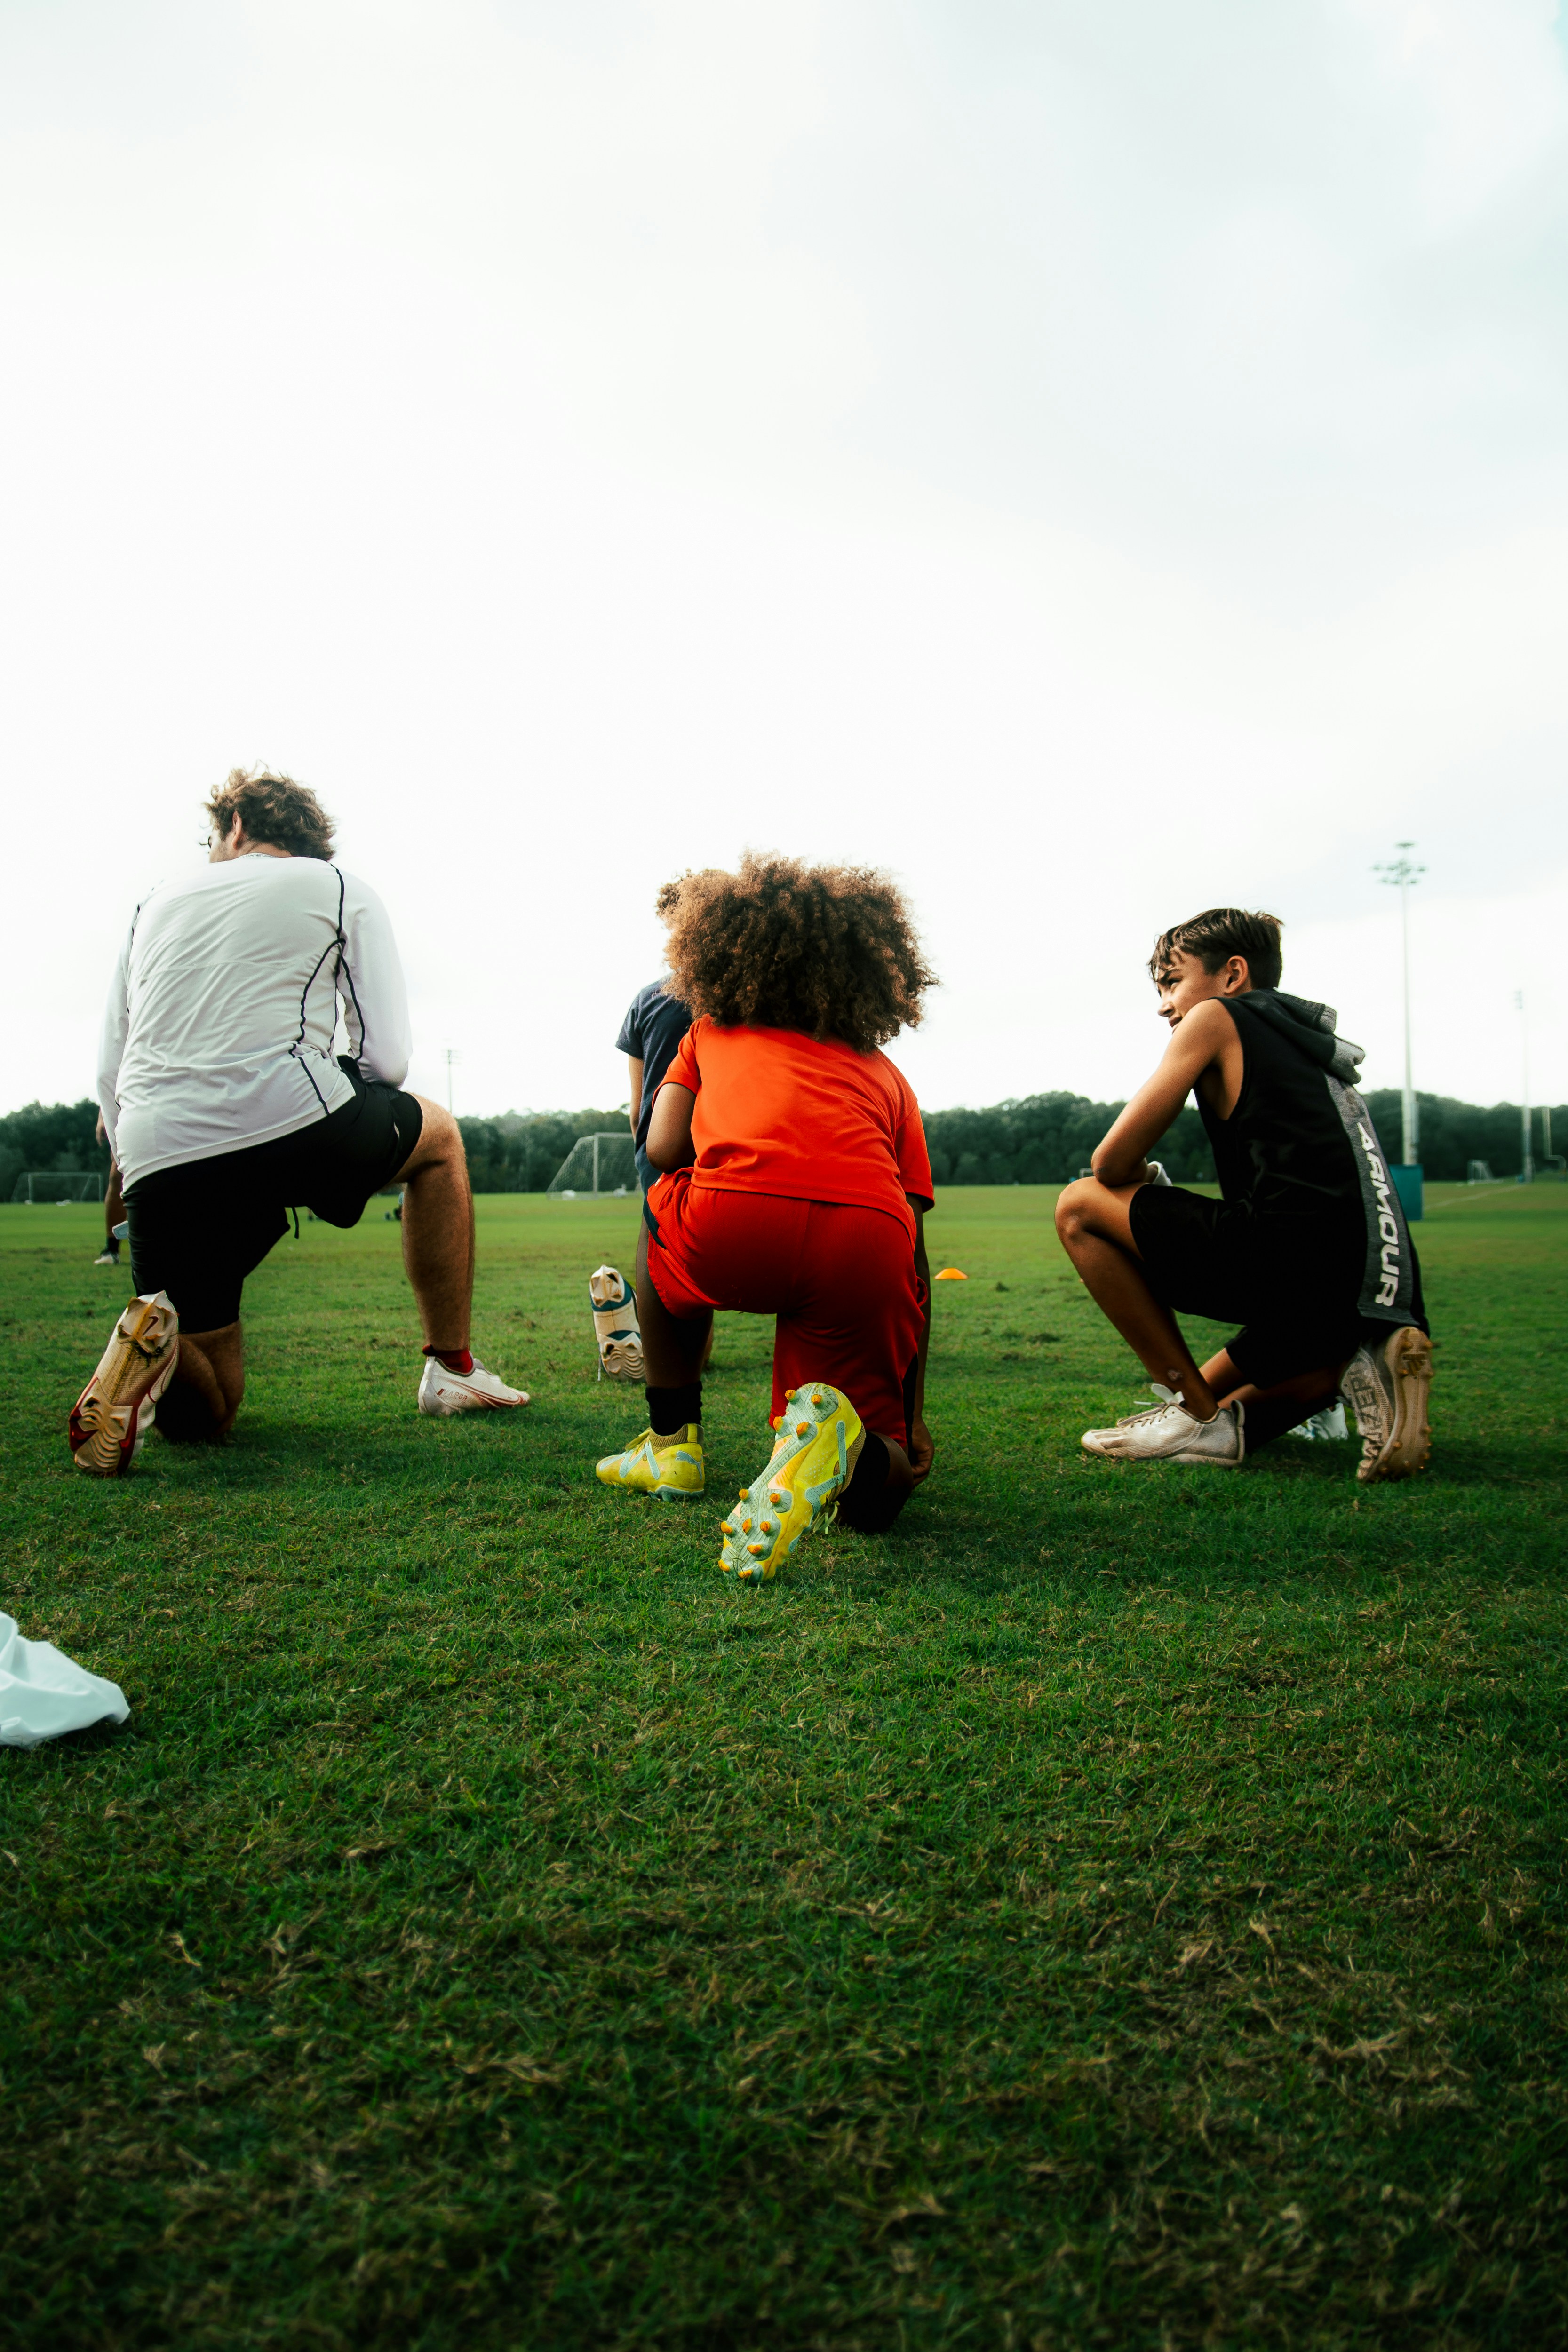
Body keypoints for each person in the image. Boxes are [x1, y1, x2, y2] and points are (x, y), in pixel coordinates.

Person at [70, 768, 528, 1477]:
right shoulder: (336, 885)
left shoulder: (152, 902)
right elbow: (390, 1060)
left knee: (211, 1416)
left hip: (155, 1146)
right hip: (289, 1112)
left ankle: (150, 1345)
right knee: (439, 1140)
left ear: (238, 826)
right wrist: (341, 1128)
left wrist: (137, 1155)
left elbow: (110, 1061)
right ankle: (452, 1370)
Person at [595, 854, 937, 1579]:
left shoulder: (709, 1033)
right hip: (867, 1242)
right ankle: (850, 1449)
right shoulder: (886, 1073)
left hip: (732, 1224)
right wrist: (912, 1411)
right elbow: (913, 1249)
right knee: (879, 1496)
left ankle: (672, 1444)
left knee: (658, 1216)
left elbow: (660, 1145)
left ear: (717, 956)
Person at [1054, 907, 1432, 1482]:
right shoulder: (1313, 1048)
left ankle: (1196, 1411)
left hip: (1293, 1254)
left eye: (1172, 981)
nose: (1164, 1004)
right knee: (1301, 1378)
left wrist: (1147, 1192)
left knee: (1080, 1205)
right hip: (1376, 1282)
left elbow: (1109, 1163)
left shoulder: (1214, 1018)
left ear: (1232, 975)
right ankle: (1234, 1406)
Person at [93, 1112, 124, 1266]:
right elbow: (109, 1087)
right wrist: (103, 1117)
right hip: (133, 1109)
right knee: (117, 1176)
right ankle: (112, 1250)